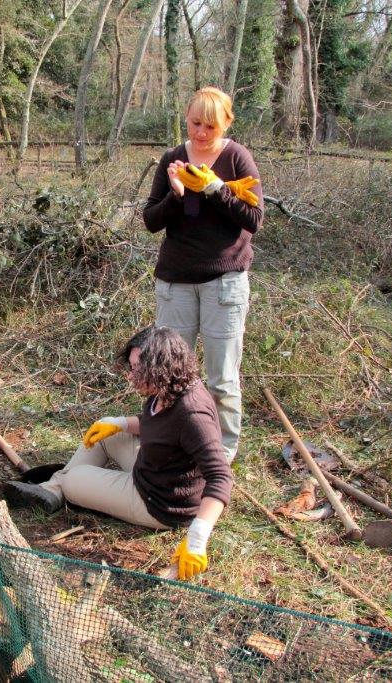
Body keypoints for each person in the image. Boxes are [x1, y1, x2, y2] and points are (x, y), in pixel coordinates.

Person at [3, 326, 233, 581]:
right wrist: (120, 423)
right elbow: (161, 427)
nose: (131, 376)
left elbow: (221, 476)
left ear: (160, 368)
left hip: (159, 501)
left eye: (137, 369)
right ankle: (51, 491)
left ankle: (60, 487)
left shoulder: (193, 414)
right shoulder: (170, 387)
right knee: (105, 430)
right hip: (154, 468)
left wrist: (197, 539)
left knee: (73, 479)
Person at [142, 86, 264, 464]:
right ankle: (168, 444)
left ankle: (220, 456)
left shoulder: (237, 158)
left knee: (222, 379)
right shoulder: (172, 159)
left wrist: (215, 188)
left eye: (210, 126)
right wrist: (177, 194)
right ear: (186, 118)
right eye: (195, 123)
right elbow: (150, 221)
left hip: (223, 284)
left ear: (225, 124)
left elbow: (254, 220)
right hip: (176, 282)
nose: (200, 133)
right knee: (167, 374)